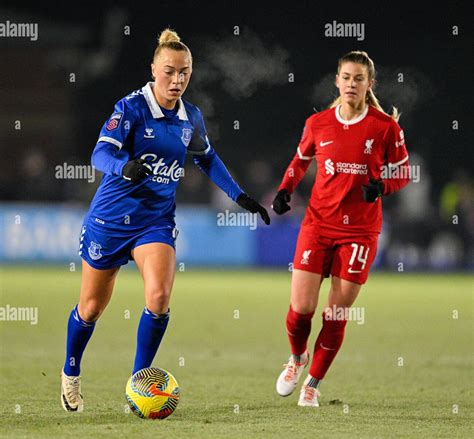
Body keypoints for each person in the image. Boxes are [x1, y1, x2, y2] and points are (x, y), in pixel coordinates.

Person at [61, 28, 270, 412]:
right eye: (170, 71)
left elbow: (206, 157)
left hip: (155, 222)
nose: (177, 80)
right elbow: (98, 155)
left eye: (185, 73)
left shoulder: (190, 116)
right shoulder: (131, 108)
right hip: (109, 222)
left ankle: (137, 386)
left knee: (158, 298)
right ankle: (71, 373)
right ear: (154, 69)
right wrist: (124, 168)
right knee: (90, 308)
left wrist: (238, 194)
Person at [272, 51, 410, 407]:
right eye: (346, 77)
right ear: (337, 81)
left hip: (360, 233)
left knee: (334, 312)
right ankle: (297, 358)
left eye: (359, 78)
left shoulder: (384, 128)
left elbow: (403, 172)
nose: (352, 84)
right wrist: (286, 189)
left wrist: (383, 187)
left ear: (369, 84)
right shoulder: (318, 123)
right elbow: (300, 160)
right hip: (317, 225)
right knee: (301, 308)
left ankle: (313, 384)